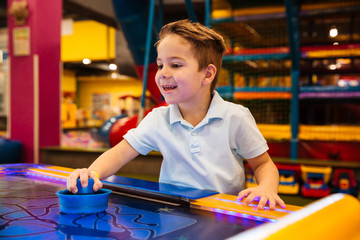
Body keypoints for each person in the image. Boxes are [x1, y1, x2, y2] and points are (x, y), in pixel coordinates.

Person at [67, 19, 285, 210]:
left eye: (176, 64)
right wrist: (91, 172)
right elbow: (120, 153)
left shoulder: (235, 117)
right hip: (173, 210)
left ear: (207, 74)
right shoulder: (158, 119)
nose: (163, 74)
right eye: (160, 65)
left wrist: (266, 188)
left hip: (222, 213)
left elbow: (263, 164)